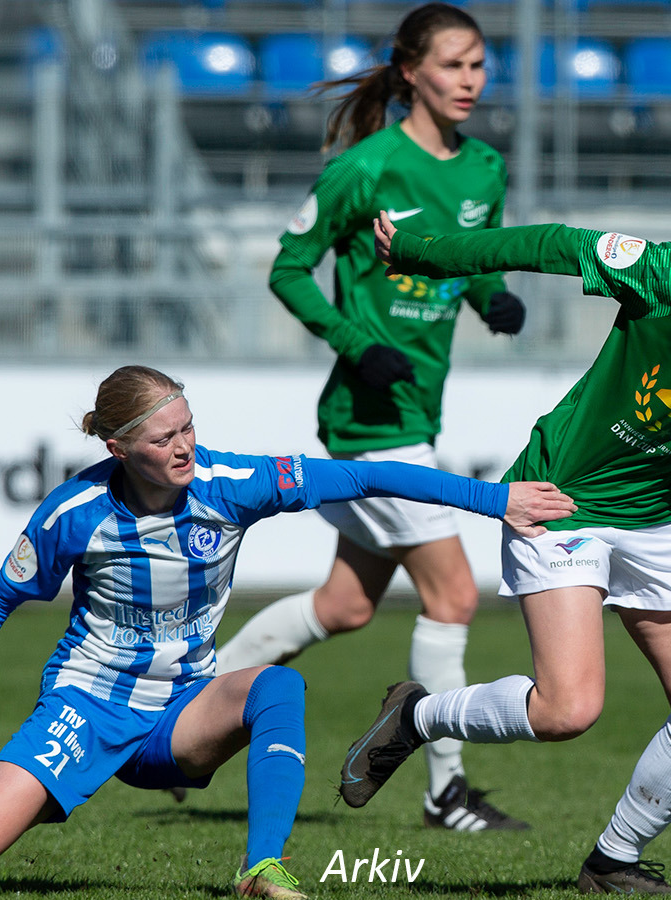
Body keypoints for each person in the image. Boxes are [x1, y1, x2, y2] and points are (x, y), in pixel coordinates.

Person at [0, 365, 574, 898]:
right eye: (166, 437)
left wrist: (495, 499)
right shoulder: (75, 513)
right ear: (122, 448)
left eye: (189, 425)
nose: (187, 445)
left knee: (279, 683)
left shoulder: (232, 483)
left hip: (180, 715)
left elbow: (366, 475)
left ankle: (260, 871)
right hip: (86, 709)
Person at [337, 162, 671, 894]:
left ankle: (612, 862)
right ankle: (418, 716)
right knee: (568, 709)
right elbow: (553, 244)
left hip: (654, 517)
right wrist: (423, 253)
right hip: (562, 497)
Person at [217, 2, 531, 832]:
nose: (471, 79)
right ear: (410, 72)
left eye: (479, 64)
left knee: (345, 605)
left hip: (417, 408)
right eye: (454, 64)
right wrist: (357, 343)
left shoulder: (484, 168)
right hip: (370, 419)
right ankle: (444, 792)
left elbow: (474, 261)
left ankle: (194, 703)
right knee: (453, 594)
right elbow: (289, 269)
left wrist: (493, 298)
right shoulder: (364, 168)